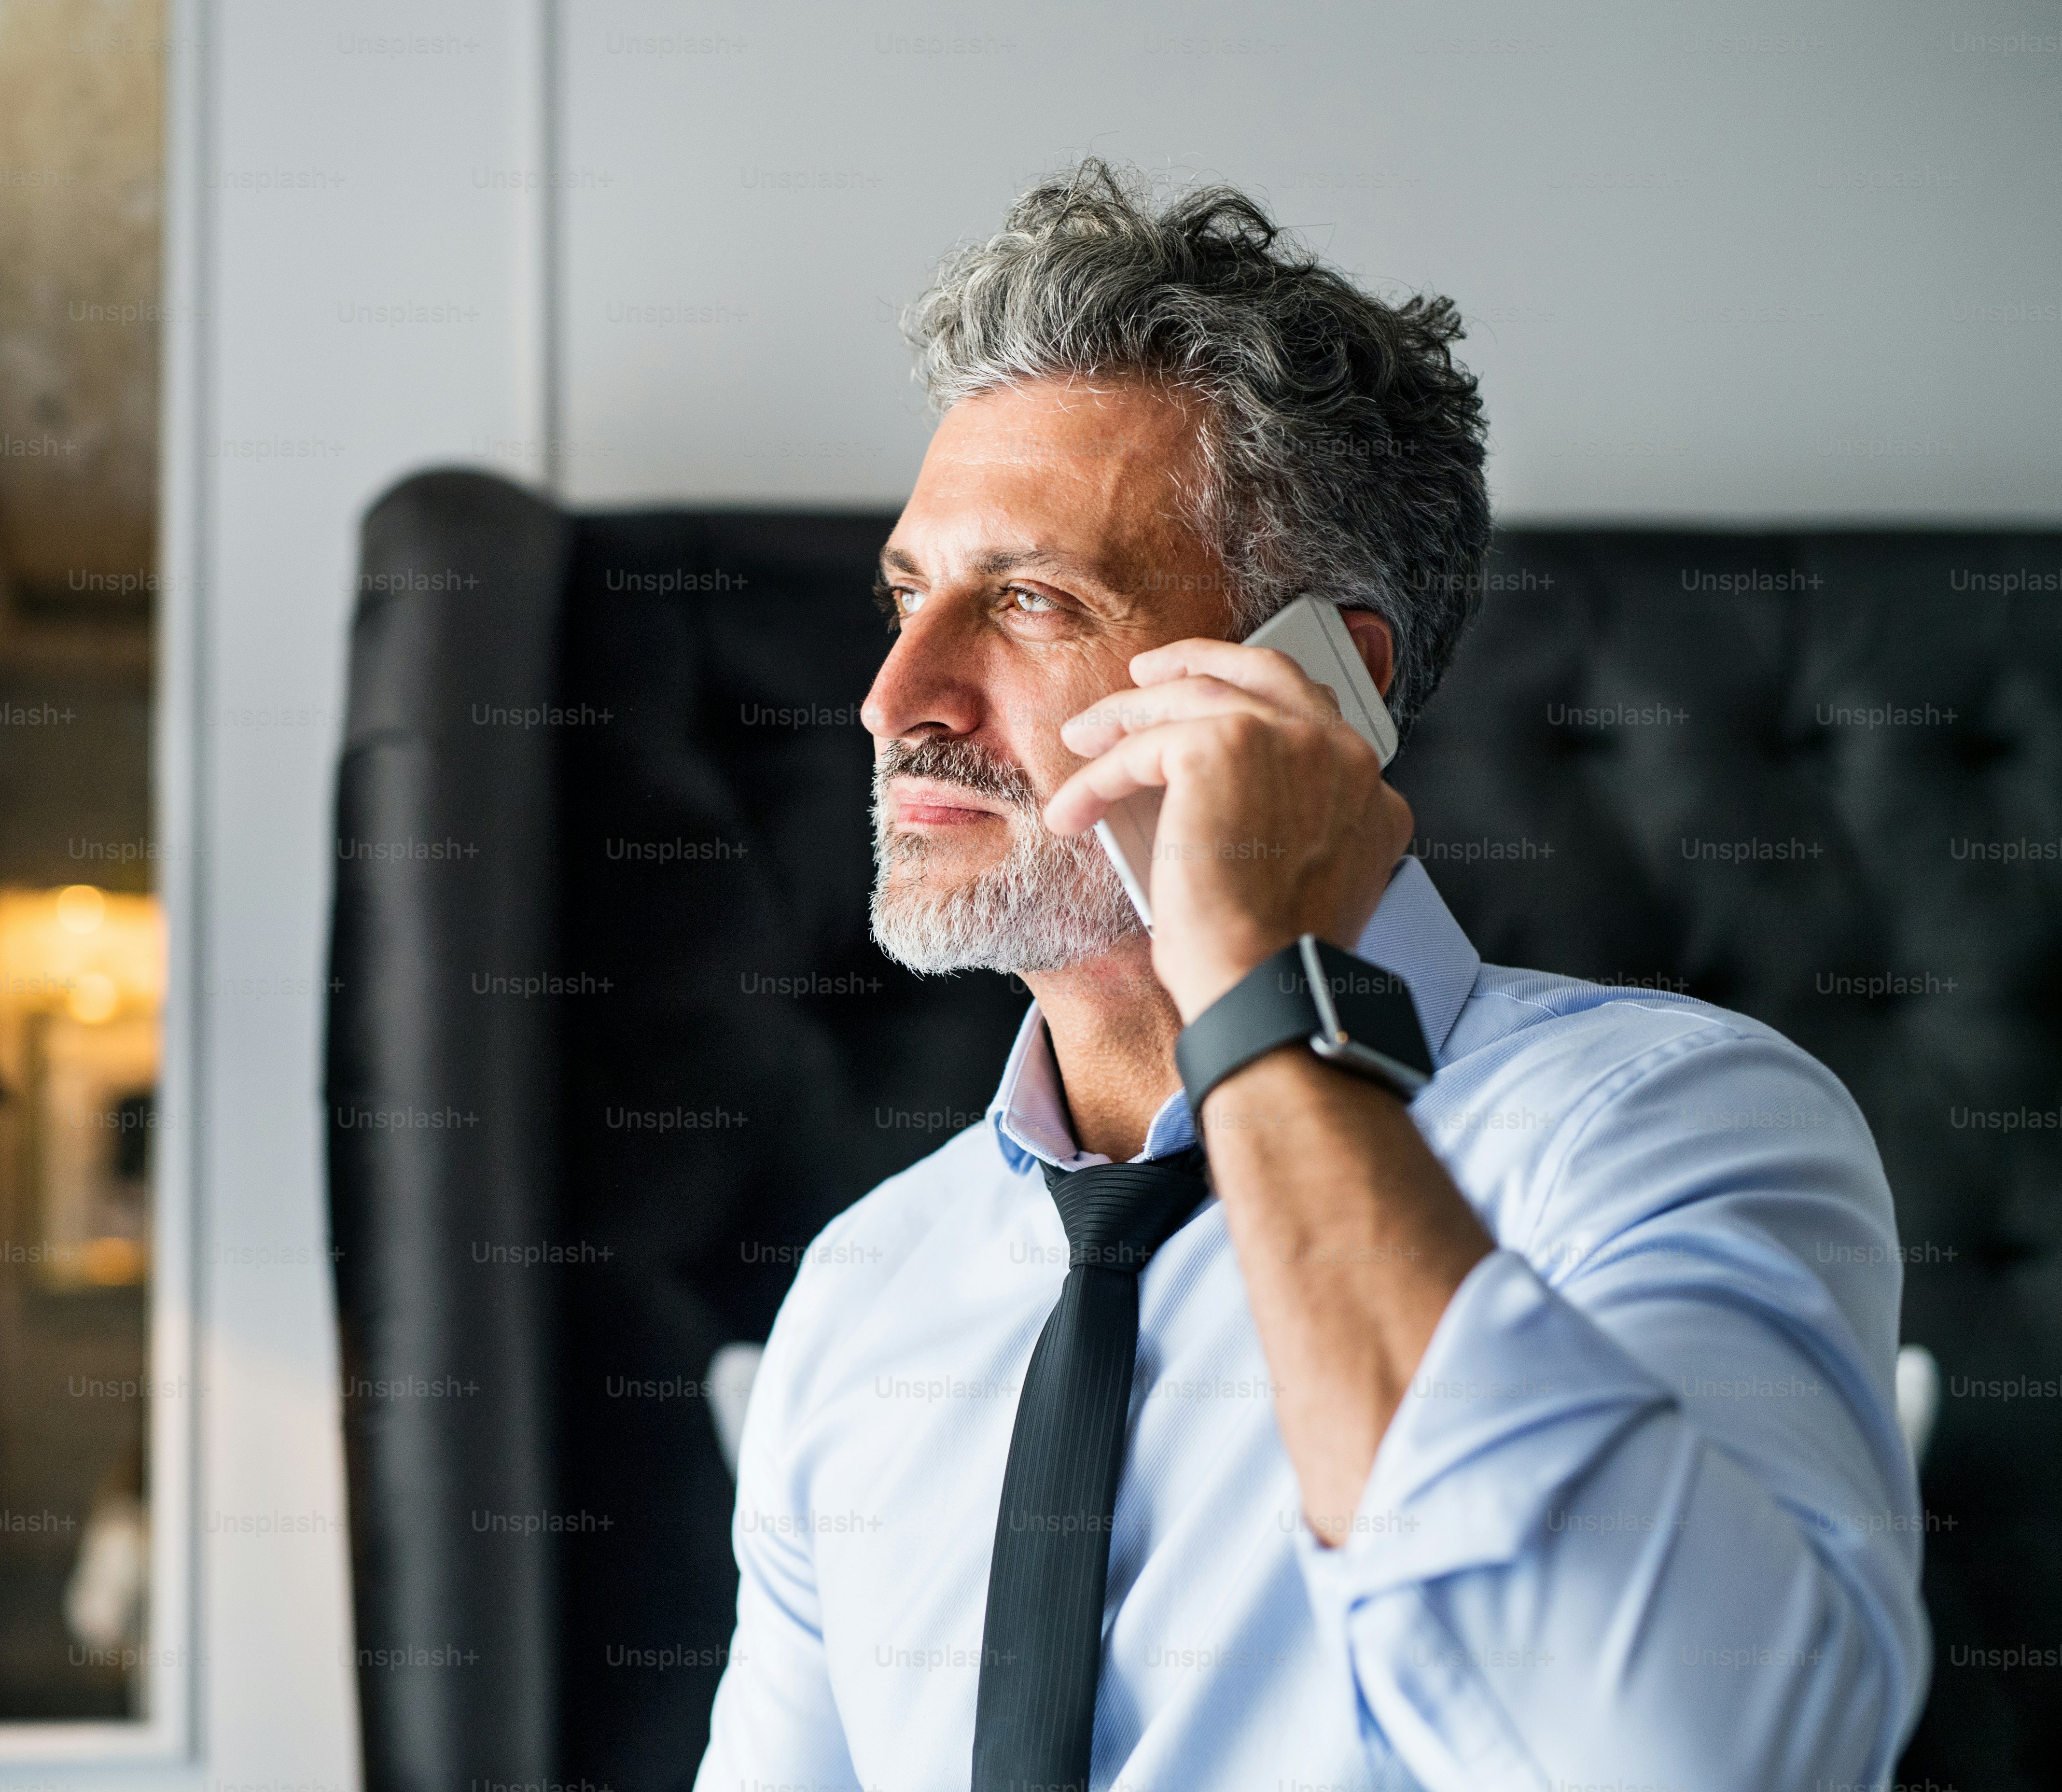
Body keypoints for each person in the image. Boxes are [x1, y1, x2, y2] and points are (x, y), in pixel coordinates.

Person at [691, 161, 1925, 1792]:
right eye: (910, 598)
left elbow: (1697, 1755)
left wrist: (1262, 985)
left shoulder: (1661, 1130)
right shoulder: (864, 1295)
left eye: (1031, 601)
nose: (896, 695)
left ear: (1319, 682)